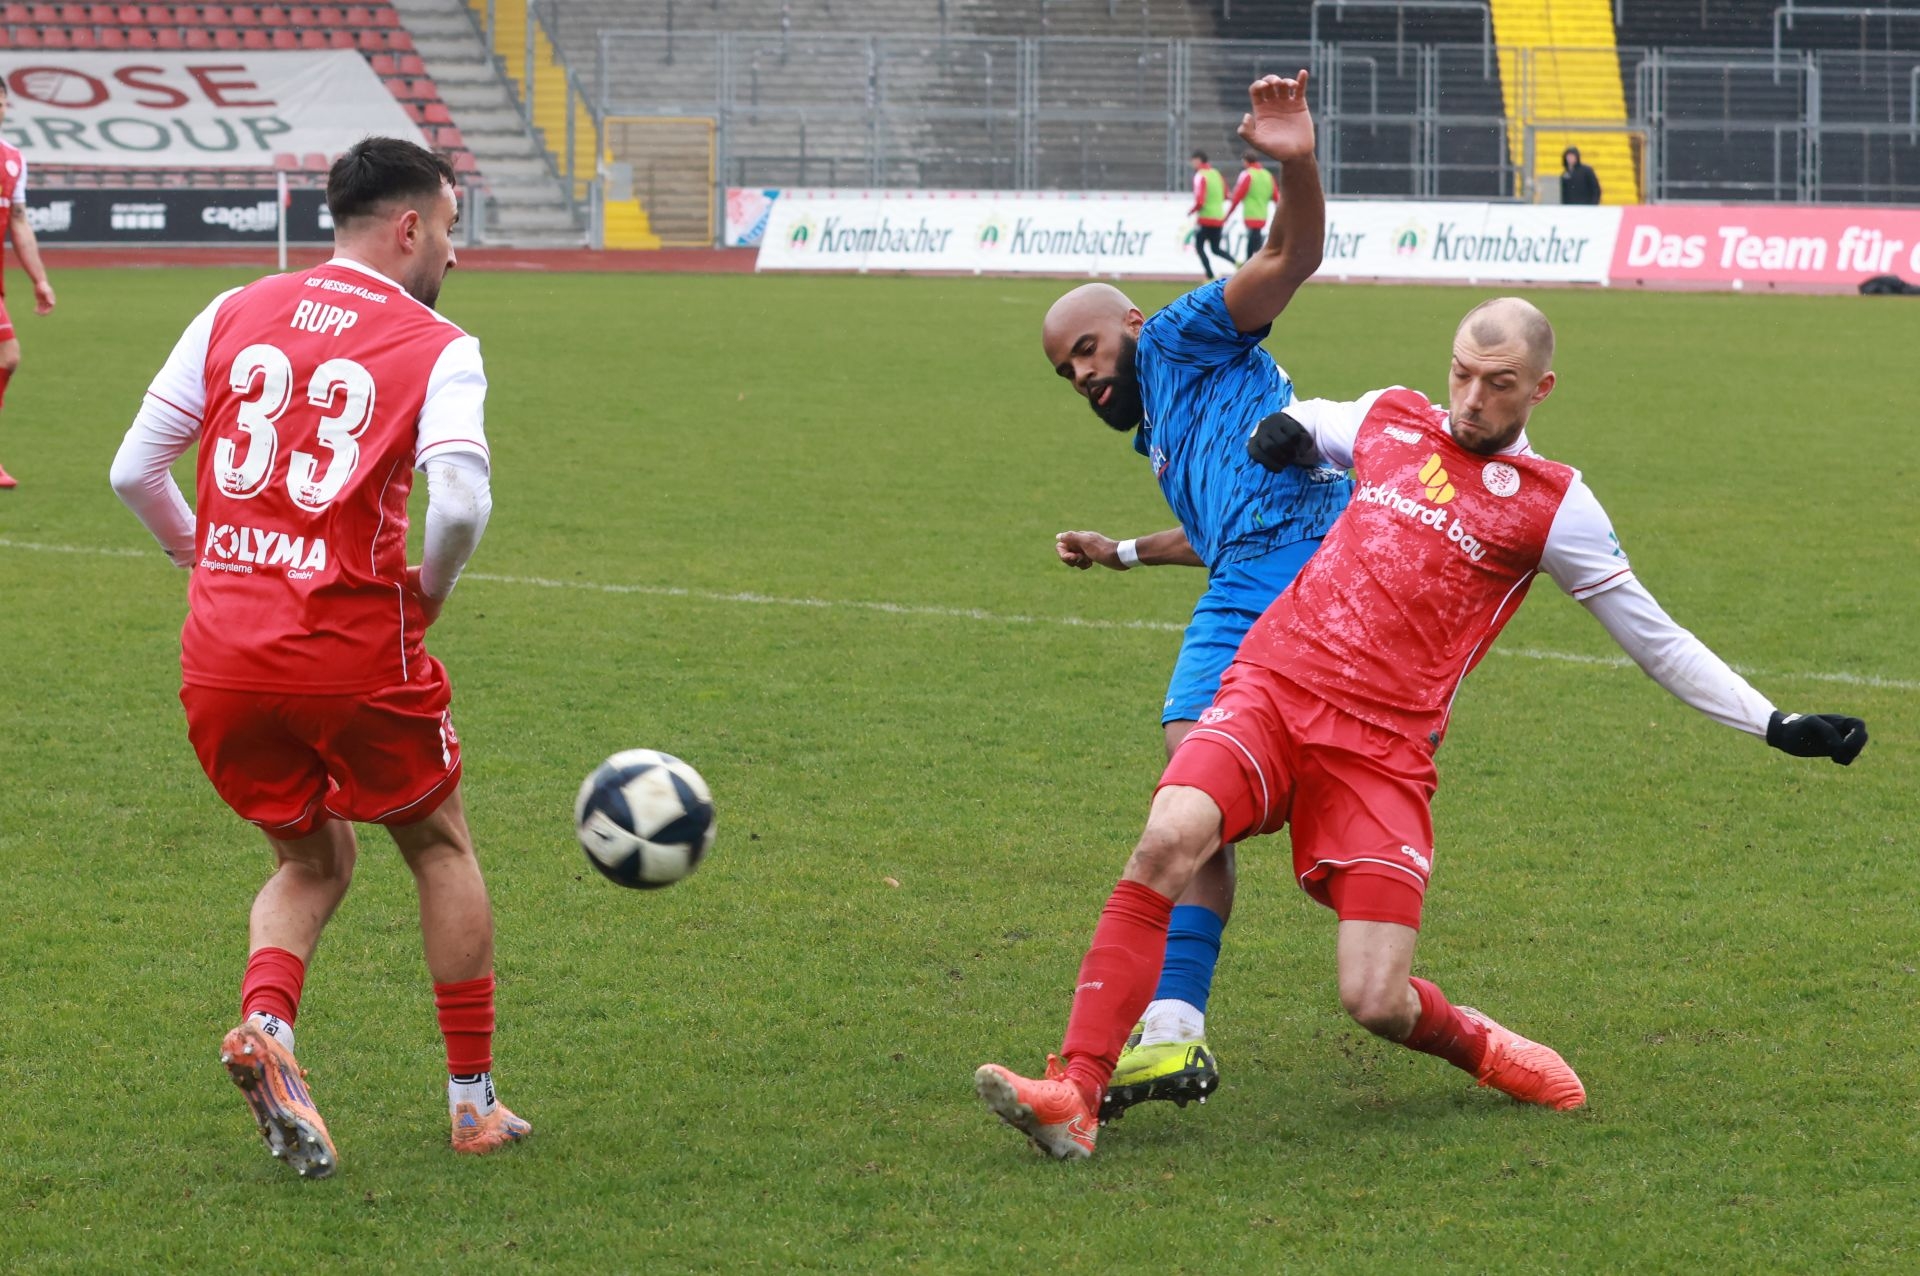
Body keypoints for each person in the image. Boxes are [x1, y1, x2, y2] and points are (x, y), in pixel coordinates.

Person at [977, 295, 1869, 1159]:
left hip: (1383, 752)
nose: (1472, 400)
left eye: (1499, 384)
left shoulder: (1555, 505)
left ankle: (1481, 1045)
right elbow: (1313, 420)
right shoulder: (1393, 417)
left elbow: (1656, 638)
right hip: (1274, 687)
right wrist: (1284, 431)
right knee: (1168, 837)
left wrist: (1772, 721)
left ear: (1541, 389)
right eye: (1462, 375)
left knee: (1376, 999)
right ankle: (1077, 1090)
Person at [109, 137, 529, 1178]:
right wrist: (429, 592)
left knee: (310, 860)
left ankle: (268, 1028)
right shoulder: (439, 342)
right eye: (451, 228)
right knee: (439, 847)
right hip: (350, 651)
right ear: (410, 226)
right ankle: (473, 1107)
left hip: (221, 657)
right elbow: (461, 501)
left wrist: (201, 556)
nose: (456, 253)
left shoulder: (231, 309)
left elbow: (134, 469)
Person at [1045, 70, 1347, 1124]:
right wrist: (1122, 552)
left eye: (1088, 349)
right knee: (1190, 794)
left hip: (1300, 566)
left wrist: (1295, 161)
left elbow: (1292, 258)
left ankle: (1166, 1021)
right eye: (1067, 373)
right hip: (1241, 578)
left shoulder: (1180, 336)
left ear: (1128, 323)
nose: (1084, 375)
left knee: (1201, 794)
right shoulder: (1162, 433)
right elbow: (1216, 526)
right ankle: (1172, 1027)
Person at [0, 78, 58, 489]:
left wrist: (39, 279)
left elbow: (18, 221)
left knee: (8, 357)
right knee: (8, 354)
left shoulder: (13, 159)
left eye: (0, 102)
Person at [1187, 151, 1236, 279]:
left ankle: (1210, 276)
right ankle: (1236, 263)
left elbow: (1200, 201)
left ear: (1198, 160)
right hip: (1218, 218)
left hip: (1205, 218)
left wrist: (1191, 211)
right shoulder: (1216, 174)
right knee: (1216, 249)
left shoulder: (1200, 175)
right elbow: (1226, 195)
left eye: (1193, 161)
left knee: (1199, 248)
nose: (1192, 164)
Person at [1224, 150, 1275, 257]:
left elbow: (1237, 197)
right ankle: (1257, 262)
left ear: (1245, 161)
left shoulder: (1248, 175)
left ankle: (1251, 263)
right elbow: (1276, 196)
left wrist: (1228, 214)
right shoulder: (1267, 175)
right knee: (1256, 241)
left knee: (1252, 244)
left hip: (1251, 213)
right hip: (1262, 214)